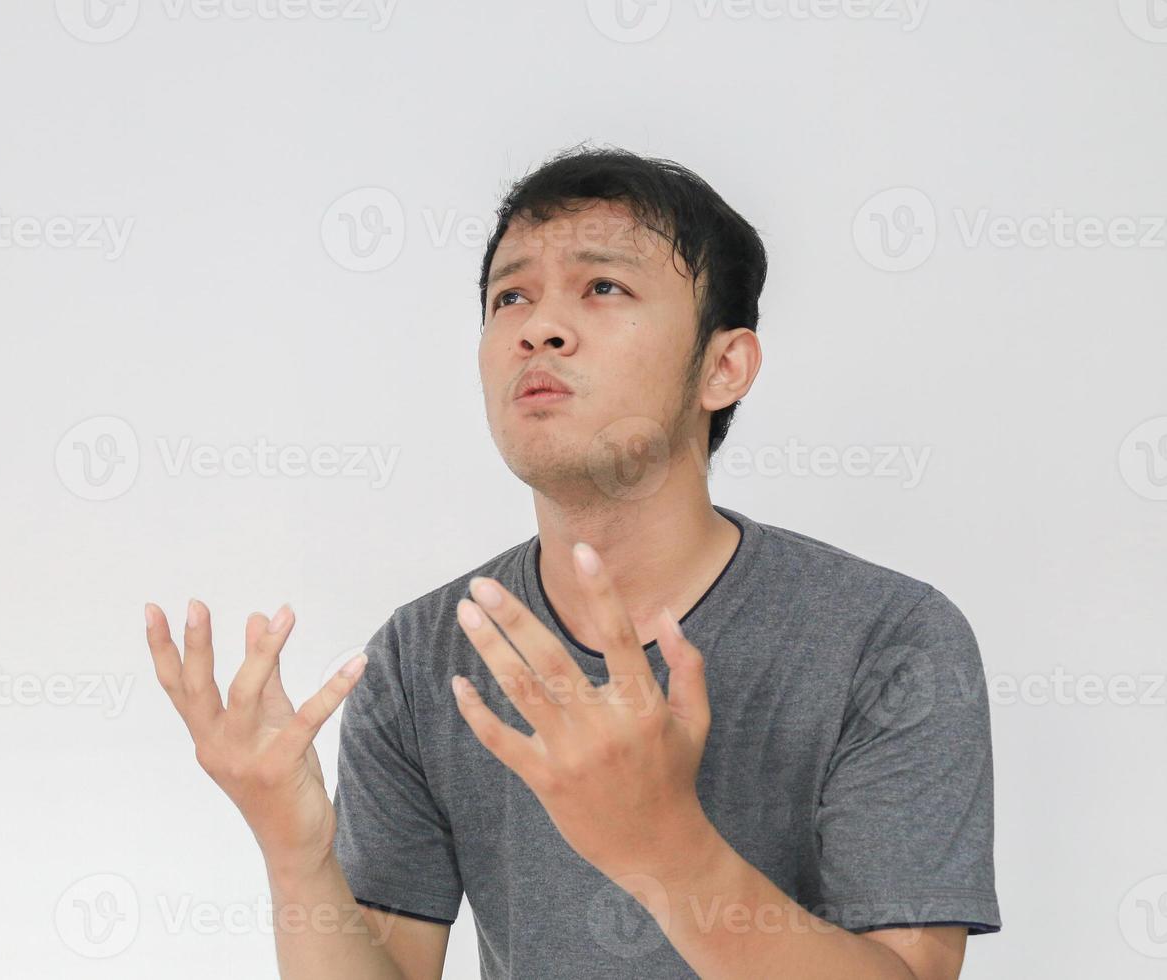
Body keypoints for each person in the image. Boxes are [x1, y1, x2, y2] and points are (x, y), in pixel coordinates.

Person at [144, 145, 1001, 978]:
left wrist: (666, 846)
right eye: (509, 297)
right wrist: (294, 856)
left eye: (603, 287)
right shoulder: (422, 658)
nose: (539, 329)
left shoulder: (889, 639)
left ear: (723, 367)